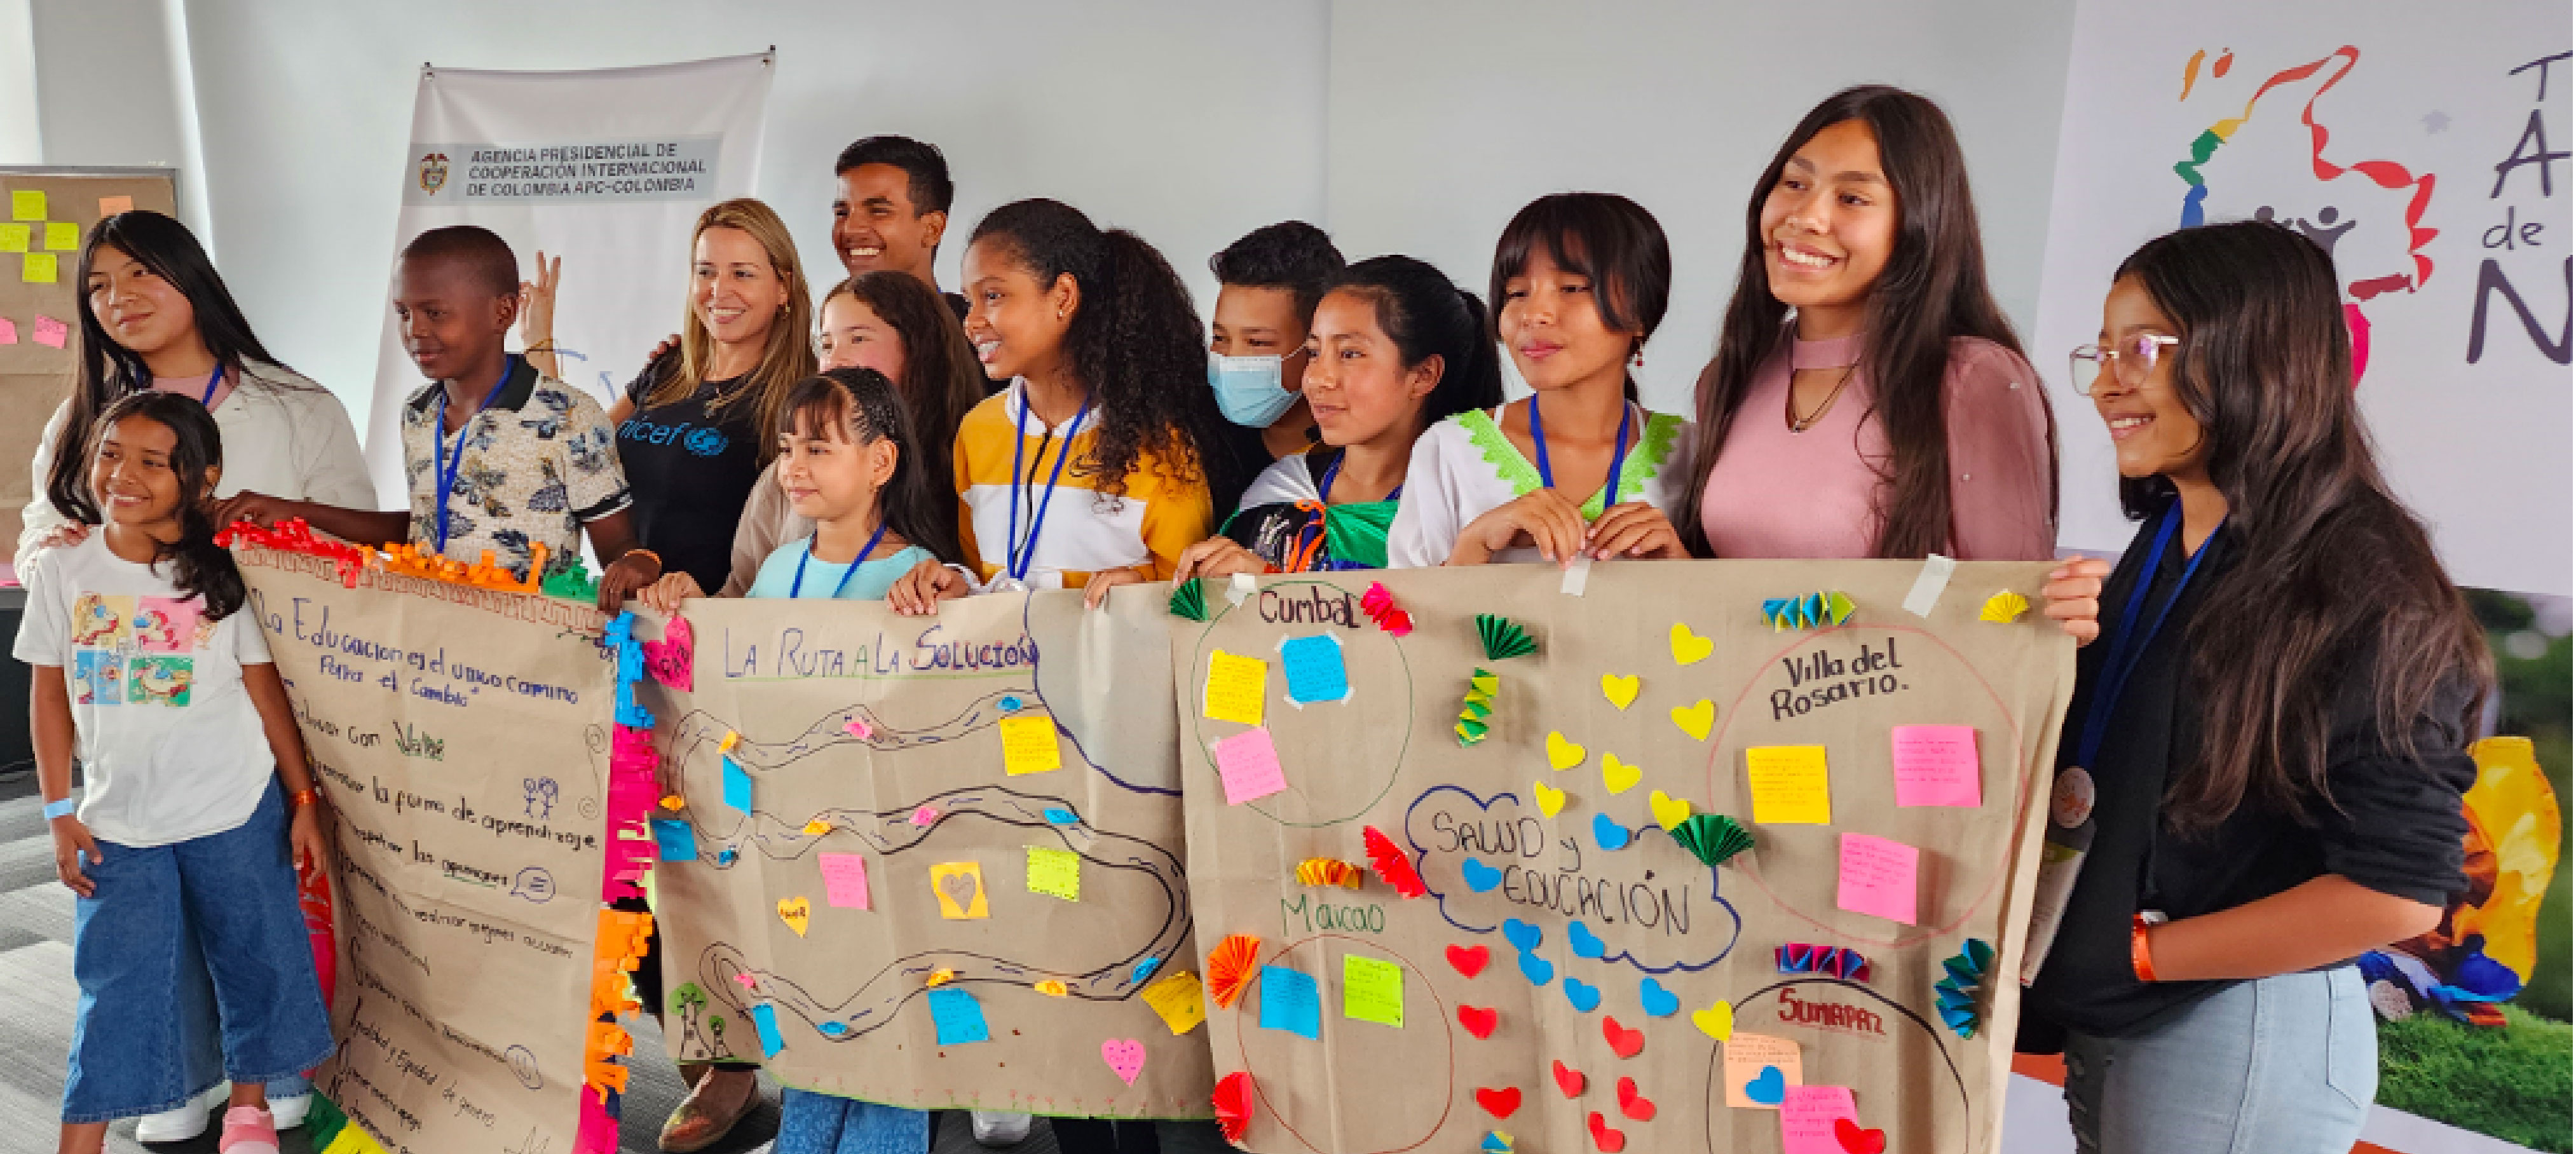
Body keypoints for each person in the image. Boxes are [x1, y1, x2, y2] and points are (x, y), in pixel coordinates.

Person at [2019, 221, 2489, 1154]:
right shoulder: (2170, 540)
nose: (2110, 380)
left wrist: (2148, 952)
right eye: (2103, 351)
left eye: (2144, 349)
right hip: (2122, 1023)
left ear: (2257, 354)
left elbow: (2397, 893)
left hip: (2233, 1031)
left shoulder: (2357, 581)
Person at [11, 210, 367, 1142]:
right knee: (141, 922)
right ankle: (178, 1073)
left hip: (266, 696)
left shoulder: (295, 402)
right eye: (96, 287)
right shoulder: (88, 412)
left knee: (257, 907)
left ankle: (270, 1074)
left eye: (138, 275)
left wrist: (273, 532)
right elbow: (42, 533)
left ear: (190, 276)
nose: (116, 300)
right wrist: (73, 548)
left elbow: (358, 537)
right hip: (136, 713)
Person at [1673, 85, 2057, 563]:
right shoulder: (1730, 378)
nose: (1807, 217)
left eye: (1852, 198)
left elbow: (2013, 611)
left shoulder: (1970, 379)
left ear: (1918, 225)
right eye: (1794, 184)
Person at [219, 226, 658, 611]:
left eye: (435, 313)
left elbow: (617, 544)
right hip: (434, 646)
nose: (415, 331)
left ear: (502, 313)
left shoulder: (570, 416)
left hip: (530, 654)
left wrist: (637, 562)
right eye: (403, 313)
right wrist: (289, 513)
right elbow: (425, 527)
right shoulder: (418, 411)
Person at [887, 198, 1230, 618]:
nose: (972, 321)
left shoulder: (1158, 447)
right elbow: (984, 576)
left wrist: (1143, 591)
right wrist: (955, 582)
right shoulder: (977, 431)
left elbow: (1195, 604)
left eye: (992, 295)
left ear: (1064, 296)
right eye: (969, 300)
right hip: (1004, 675)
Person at [1386, 193, 1693, 568]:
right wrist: (1476, 543)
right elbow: (1403, 620)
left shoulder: (1694, 456)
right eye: (1516, 293)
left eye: (1571, 288)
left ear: (1640, 312)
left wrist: (1682, 566)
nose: (1533, 314)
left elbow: (1740, 616)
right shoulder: (1449, 451)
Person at [1176, 254, 1503, 577]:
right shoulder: (1280, 489)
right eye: (1314, 353)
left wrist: (1273, 587)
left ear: (1423, 375)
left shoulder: (1467, 512)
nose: (1318, 378)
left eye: (1349, 354)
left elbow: (1440, 623)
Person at [716, 271, 986, 596]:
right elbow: (740, 597)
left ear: (919, 351)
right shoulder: (782, 482)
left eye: (858, 339)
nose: (834, 361)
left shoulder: (966, 466)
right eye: (827, 345)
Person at [604, 198, 817, 602]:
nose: (719, 291)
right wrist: (539, 339)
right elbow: (581, 448)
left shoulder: (802, 396)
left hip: (713, 626)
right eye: (706, 272)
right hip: (623, 616)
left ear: (783, 287)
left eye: (742, 274)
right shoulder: (667, 367)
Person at [643, 366, 954, 613]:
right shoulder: (778, 565)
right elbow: (738, 653)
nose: (793, 468)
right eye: (787, 450)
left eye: (817, 450)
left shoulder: (918, 579)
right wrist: (694, 610)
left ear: (880, 462)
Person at [1206, 221, 1346, 461]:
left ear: (1315, 345)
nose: (1231, 359)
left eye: (1258, 343)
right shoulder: (1196, 441)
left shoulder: (1359, 452)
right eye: (1220, 338)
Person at [833, 134, 971, 321]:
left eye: (878, 211)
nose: (850, 229)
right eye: (842, 213)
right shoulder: (832, 339)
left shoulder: (979, 338)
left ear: (932, 229)